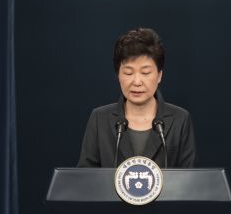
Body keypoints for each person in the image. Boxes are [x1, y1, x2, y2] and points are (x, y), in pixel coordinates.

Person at [77, 27, 196, 168]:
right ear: (118, 75)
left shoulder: (180, 119)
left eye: (145, 73)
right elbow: (85, 179)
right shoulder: (99, 119)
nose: (137, 82)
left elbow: (190, 180)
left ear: (159, 75)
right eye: (128, 73)